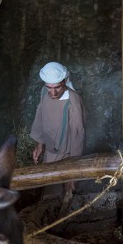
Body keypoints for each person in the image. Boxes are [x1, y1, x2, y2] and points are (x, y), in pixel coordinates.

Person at [30, 61, 85, 196]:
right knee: (46, 189)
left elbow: (78, 135)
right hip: (49, 151)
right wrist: (40, 144)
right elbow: (40, 117)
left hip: (66, 156)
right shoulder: (44, 93)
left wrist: (73, 171)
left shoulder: (73, 101)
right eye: (49, 87)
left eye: (57, 88)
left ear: (65, 81)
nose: (53, 92)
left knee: (60, 193)